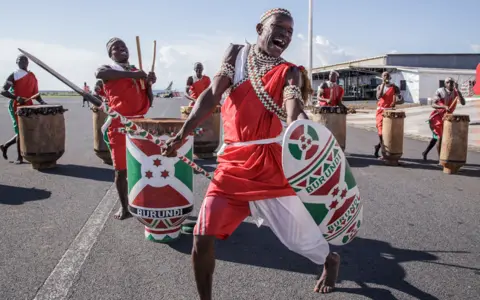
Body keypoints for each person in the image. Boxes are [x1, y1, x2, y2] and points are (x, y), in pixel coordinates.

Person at [161, 8, 340, 299]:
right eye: (278, 27)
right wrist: (183, 133)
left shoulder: (290, 71)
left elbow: (292, 104)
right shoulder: (236, 54)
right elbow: (212, 95)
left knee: (299, 239)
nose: (285, 34)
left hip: (270, 167)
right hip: (231, 166)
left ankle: (329, 260)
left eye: (290, 32)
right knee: (201, 236)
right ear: (260, 27)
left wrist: (298, 128)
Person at [95, 37, 156, 220]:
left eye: (123, 46)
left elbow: (149, 101)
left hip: (140, 123)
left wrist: (149, 84)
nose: (121, 49)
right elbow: (99, 73)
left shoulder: (137, 71)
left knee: (142, 165)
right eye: (116, 47)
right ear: (110, 54)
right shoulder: (109, 70)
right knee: (121, 169)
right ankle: (124, 207)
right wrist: (134, 76)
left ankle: (142, 200)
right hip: (119, 124)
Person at [0, 54, 46, 163]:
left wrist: (43, 102)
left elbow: (36, 94)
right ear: (17, 62)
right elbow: (3, 90)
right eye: (19, 59)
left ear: (28, 62)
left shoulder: (32, 76)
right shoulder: (14, 75)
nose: (22, 61)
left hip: (28, 105)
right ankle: (19, 157)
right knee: (20, 130)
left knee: (25, 130)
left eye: (24, 59)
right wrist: (16, 97)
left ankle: (5, 146)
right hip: (16, 104)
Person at [422, 77, 465, 160]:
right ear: (445, 84)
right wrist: (444, 106)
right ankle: (441, 159)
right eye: (448, 82)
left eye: (452, 82)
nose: (451, 84)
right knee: (440, 137)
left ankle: (425, 152)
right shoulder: (440, 91)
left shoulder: (456, 92)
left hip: (448, 118)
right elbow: (433, 104)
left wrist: (458, 90)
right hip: (437, 117)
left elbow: (463, 103)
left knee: (436, 138)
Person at [374, 71, 403, 158]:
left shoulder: (394, 87)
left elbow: (401, 99)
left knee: (388, 133)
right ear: (382, 77)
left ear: (390, 77)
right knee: (380, 132)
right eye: (384, 76)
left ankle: (379, 147)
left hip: (390, 112)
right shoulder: (379, 87)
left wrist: (396, 101)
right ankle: (383, 150)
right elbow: (378, 96)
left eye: (387, 76)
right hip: (380, 112)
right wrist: (383, 85)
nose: (386, 77)